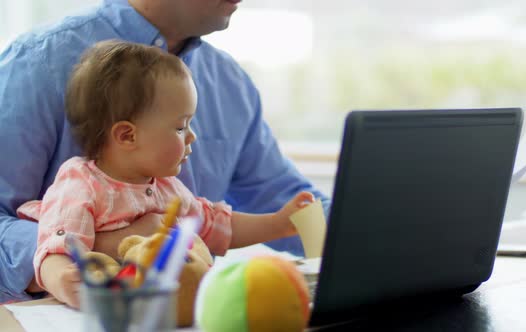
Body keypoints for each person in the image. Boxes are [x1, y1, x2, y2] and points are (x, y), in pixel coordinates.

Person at [0, 0, 330, 303]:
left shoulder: (231, 84)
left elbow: (279, 201)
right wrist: (99, 247)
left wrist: (366, 240)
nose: (192, 139)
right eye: (180, 128)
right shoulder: (36, 64)